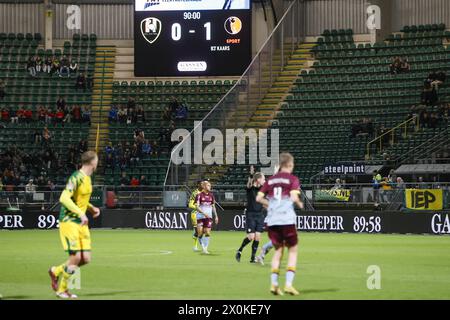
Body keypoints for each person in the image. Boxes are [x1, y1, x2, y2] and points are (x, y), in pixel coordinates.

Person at [48, 151, 100, 299]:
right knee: (75, 257)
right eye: (97, 160)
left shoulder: (88, 179)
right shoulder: (75, 177)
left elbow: (80, 200)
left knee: (86, 258)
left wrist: (90, 208)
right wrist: (81, 213)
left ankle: (56, 271)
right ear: (92, 162)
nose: (98, 162)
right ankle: (62, 290)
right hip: (69, 221)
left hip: (81, 223)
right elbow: (64, 197)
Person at [256, 152, 304, 296]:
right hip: (287, 220)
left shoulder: (270, 181)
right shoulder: (292, 179)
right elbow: (294, 196)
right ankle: (288, 284)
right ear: (288, 165)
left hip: (272, 220)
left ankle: (274, 284)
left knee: (278, 251)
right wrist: (299, 203)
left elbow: (259, 198)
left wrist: (270, 204)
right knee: (293, 250)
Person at [235, 166, 266, 263]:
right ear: (258, 179)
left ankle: (252, 258)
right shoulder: (250, 189)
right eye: (263, 178)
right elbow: (249, 183)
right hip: (251, 215)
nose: (264, 180)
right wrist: (251, 174)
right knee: (251, 237)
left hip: (260, 215)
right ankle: (240, 250)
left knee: (258, 237)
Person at [194, 181, 219, 254]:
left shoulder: (211, 195)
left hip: (209, 217)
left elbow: (213, 206)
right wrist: (204, 213)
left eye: (210, 185)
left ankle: (205, 249)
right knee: (200, 233)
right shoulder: (199, 195)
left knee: (207, 232)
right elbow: (197, 207)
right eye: (208, 185)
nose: (210, 187)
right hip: (200, 217)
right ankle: (203, 247)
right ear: (204, 186)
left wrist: (216, 216)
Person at [188, 181, 203, 252]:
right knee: (197, 231)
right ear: (198, 185)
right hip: (195, 213)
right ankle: (195, 246)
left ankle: (200, 237)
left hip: (203, 214)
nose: (203, 185)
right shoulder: (194, 193)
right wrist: (197, 207)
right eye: (201, 184)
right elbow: (190, 204)